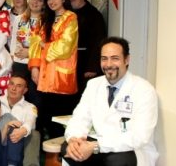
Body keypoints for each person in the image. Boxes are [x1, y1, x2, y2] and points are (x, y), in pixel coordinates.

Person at [63, 37, 158, 166]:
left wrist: (96, 146)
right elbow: (80, 118)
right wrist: (74, 139)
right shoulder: (93, 84)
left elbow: (140, 137)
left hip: (130, 150)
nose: (108, 64)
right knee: (69, 150)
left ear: (127, 60)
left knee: (117, 161)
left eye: (115, 58)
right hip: (100, 145)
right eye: (104, 58)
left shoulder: (144, 89)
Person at [28, 0, 79, 139]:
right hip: (44, 77)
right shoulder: (46, 20)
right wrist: (35, 67)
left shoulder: (71, 18)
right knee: (44, 117)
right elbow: (34, 44)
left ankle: (61, 157)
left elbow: (65, 47)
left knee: (60, 121)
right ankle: (49, 156)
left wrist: (45, 45)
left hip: (61, 79)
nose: (51, 1)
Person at [10, 0, 46, 128]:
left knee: (35, 99)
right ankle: (17, 128)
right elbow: (13, 41)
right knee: (19, 98)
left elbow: (47, 47)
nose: (35, 2)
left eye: (40, 0)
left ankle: (36, 130)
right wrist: (14, 57)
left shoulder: (46, 22)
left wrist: (29, 53)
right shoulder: (20, 18)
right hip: (19, 65)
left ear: (44, 4)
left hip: (36, 65)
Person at [65, 0, 107, 96]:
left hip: (85, 66)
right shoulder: (64, 13)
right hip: (67, 65)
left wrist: (92, 67)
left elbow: (99, 42)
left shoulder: (94, 15)